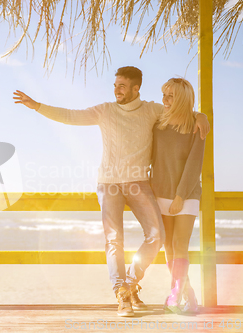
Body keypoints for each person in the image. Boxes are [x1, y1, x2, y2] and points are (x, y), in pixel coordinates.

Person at [13, 66, 210, 317]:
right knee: (114, 240)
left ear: (136, 88)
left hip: (139, 183)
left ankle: (130, 282)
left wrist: (201, 115)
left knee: (156, 237)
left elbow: (182, 110)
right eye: (115, 85)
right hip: (109, 184)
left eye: (122, 86)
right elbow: (71, 116)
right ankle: (123, 293)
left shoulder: (152, 110)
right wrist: (38, 106)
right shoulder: (104, 110)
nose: (116, 89)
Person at [150, 78, 206, 315]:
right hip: (160, 192)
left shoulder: (196, 124)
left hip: (187, 193)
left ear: (182, 98)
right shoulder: (157, 123)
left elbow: (195, 162)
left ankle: (175, 294)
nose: (165, 100)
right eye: (164, 94)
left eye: (171, 96)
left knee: (179, 245)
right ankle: (189, 296)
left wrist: (181, 196)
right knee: (168, 247)